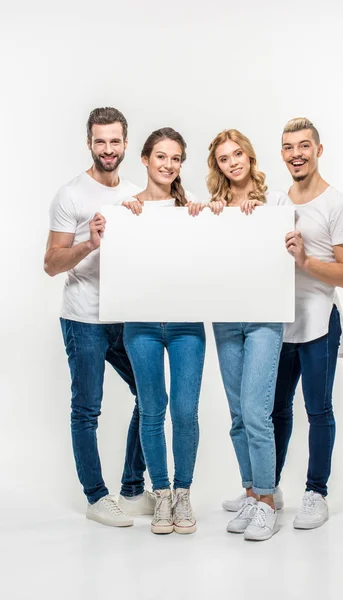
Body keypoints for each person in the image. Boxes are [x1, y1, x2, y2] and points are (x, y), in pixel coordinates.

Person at [223, 118, 343, 531]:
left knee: (318, 410)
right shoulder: (279, 202)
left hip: (319, 320)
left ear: (319, 150)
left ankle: (316, 492)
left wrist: (306, 262)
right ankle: (269, 490)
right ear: (281, 153)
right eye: (288, 147)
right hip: (278, 320)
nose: (296, 154)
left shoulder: (339, 206)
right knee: (272, 410)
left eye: (304, 146)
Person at [44, 107, 154, 527]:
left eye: (115, 141)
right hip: (84, 318)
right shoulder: (70, 195)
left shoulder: (133, 193)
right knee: (87, 409)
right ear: (89, 143)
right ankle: (96, 497)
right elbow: (52, 264)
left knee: (150, 397)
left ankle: (131, 490)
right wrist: (89, 242)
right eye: (100, 141)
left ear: (127, 144)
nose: (107, 149)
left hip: (126, 317)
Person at [121, 127, 206, 535]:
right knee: (152, 409)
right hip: (141, 324)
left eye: (175, 158)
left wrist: (208, 216)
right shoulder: (127, 209)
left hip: (186, 321)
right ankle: (161, 494)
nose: (168, 165)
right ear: (145, 159)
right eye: (161, 157)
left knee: (185, 410)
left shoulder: (190, 209)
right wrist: (117, 221)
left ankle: (184, 490)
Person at [207, 129, 288, 541]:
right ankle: (252, 491)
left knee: (257, 413)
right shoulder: (213, 209)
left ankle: (269, 502)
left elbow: (288, 250)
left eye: (237, 153)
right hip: (225, 318)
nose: (232, 162)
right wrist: (207, 218)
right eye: (224, 158)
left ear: (250, 156)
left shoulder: (275, 203)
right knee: (238, 415)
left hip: (263, 318)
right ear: (217, 166)